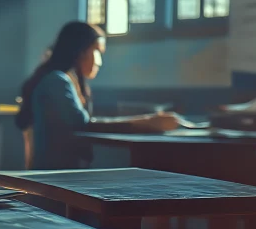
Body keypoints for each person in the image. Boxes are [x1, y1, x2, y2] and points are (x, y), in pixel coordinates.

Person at [15, 21, 180, 170]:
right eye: (97, 51)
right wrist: (147, 123)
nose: (99, 61)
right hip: (55, 177)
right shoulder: (56, 81)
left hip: (62, 174)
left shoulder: (65, 80)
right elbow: (83, 124)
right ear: (80, 51)